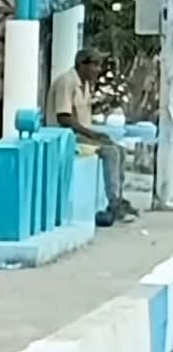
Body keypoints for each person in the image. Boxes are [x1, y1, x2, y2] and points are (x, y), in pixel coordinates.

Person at [44, 49, 133, 227]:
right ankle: (114, 204)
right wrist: (91, 134)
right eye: (95, 65)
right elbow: (64, 117)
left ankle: (119, 198)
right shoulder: (67, 82)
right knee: (111, 152)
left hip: (82, 136)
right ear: (82, 65)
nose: (98, 69)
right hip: (68, 139)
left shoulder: (85, 84)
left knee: (120, 149)